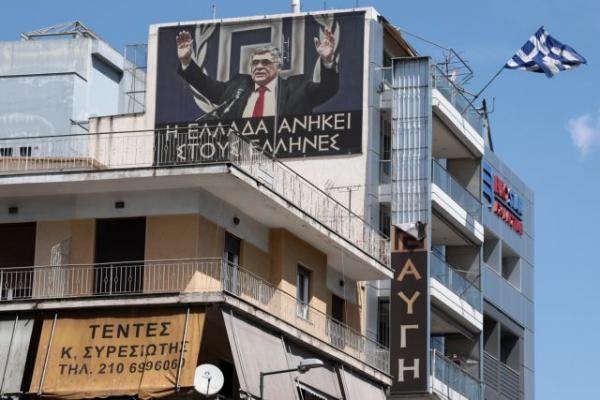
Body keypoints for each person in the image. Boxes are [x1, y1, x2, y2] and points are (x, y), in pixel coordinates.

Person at [175, 28, 339, 120]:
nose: (259, 67)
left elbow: (328, 89)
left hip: (280, 155)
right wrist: (187, 61)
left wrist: (327, 60)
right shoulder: (239, 86)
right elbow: (208, 87)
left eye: (265, 62)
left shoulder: (297, 88)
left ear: (278, 66)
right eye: (255, 63)